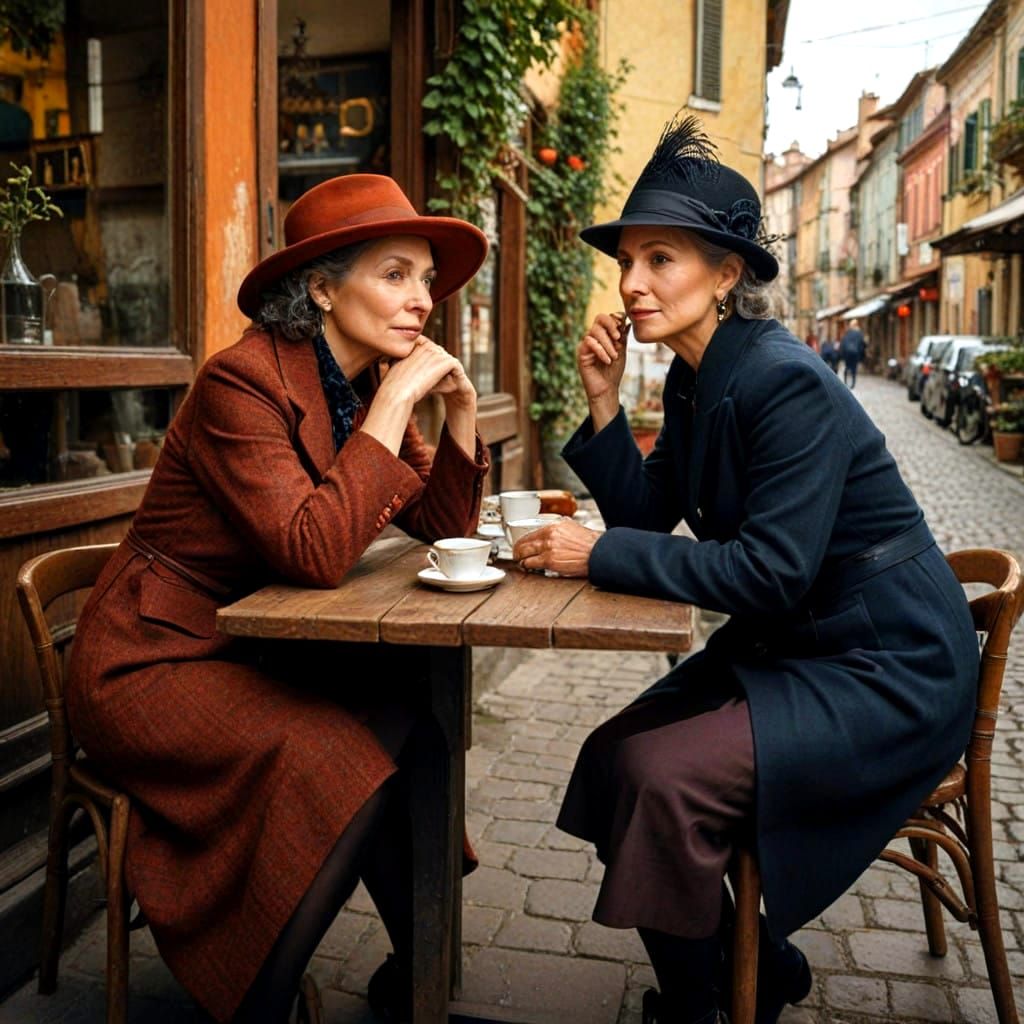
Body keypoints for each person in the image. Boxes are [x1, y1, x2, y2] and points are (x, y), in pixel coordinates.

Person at [511, 116, 977, 1024]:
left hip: (887, 664)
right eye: (627, 261)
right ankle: (752, 967)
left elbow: (769, 573)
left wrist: (594, 551)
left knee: (661, 775)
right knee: (613, 754)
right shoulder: (697, 378)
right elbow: (650, 512)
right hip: (802, 644)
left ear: (727, 275)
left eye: (661, 260)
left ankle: (709, 1004)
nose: (632, 283)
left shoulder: (782, 379)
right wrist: (605, 405)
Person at [66, 174, 491, 1024]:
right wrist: (401, 398)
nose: (422, 302)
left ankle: (415, 986)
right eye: (396, 274)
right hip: (153, 659)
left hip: (250, 644)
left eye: (426, 281)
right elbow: (313, 550)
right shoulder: (242, 383)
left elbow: (440, 525)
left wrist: (462, 414)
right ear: (325, 289)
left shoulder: (365, 385)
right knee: (340, 765)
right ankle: (253, 1003)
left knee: (414, 716)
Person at [839, 318, 867, 388]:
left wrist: (842, 354)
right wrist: (861, 355)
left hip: (847, 353)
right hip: (855, 353)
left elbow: (843, 343)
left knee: (847, 367)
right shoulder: (859, 333)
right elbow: (863, 344)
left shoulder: (847, 333)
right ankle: (853, 384)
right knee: (854, 368)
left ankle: (845, 382)